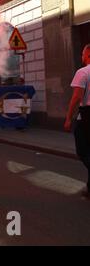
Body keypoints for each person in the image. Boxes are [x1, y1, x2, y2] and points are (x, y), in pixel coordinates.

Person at [65, 44, 90, 199]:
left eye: (82, 53)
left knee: (83, 151)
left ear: (88, 55)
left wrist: (68, 118)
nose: (81, 56)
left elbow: (77, 98)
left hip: (87, 116)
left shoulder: (83, 72)